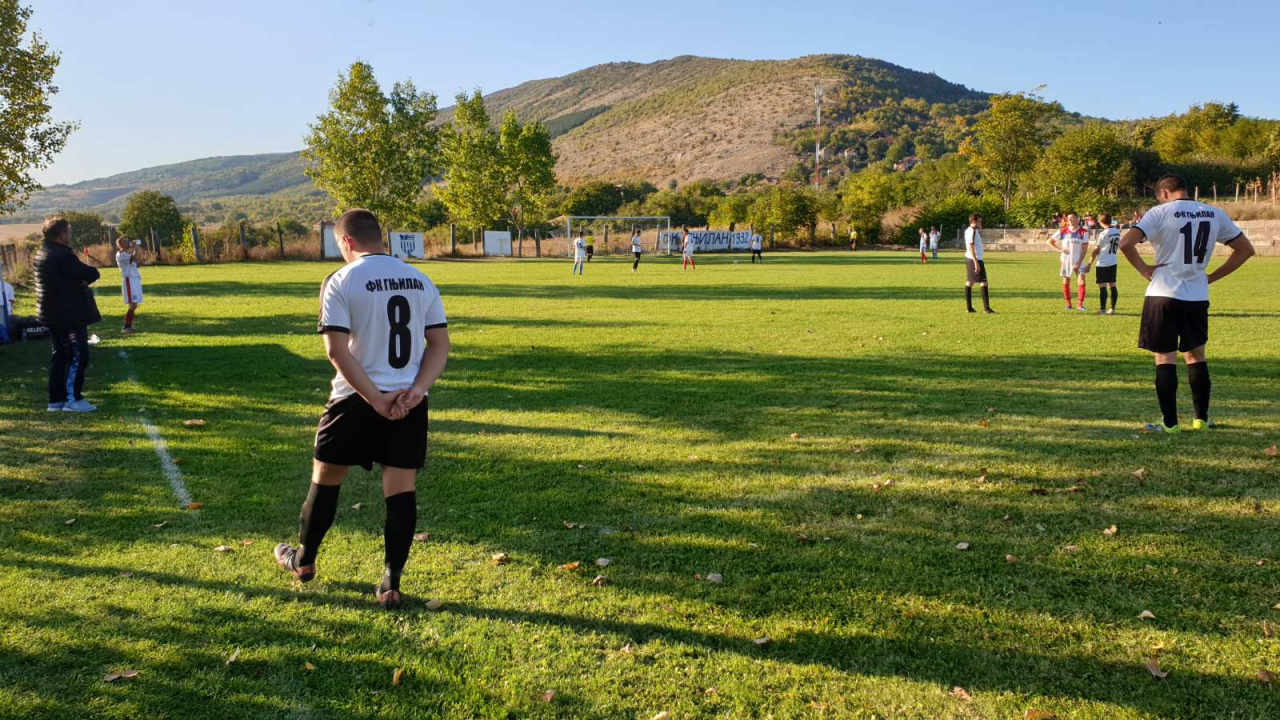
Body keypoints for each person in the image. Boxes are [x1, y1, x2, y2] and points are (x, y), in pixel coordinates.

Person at [274, 209, 451, 610]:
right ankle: (390, 583)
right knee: (401, 490)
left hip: (354, 398)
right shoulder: (420, 278)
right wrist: (417, 391)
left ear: (346, 241)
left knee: (325, 480)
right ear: (379, 237)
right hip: (407, 401)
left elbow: (336, 351)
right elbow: (440, 345)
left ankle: (304, 561)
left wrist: (374, 398)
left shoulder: (341, 279)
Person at [1119, 174, 1254, 433]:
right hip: (1197, 295)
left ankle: (1170, 424)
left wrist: (1144, 269)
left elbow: (1126, 243)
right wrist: (1212, 276)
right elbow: (1246, 249)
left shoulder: (1159, 212)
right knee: (1196, 356)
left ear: (1163, 193)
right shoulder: (1213, 213)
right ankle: (1201, 419)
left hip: (1163, 293)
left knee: (1164, 358)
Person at [33, 216, 102, 412]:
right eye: (68, 231)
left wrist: (76, 280)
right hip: (67, 314)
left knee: (60, 355)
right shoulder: (61, 255)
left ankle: (56, 400)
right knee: (77, 356)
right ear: (62, 234)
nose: (70, 235)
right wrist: (80, 280)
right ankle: (73, 399)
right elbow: (91, 273)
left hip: (53, 313)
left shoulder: (43, 251)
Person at [1047, 213, 1091, 311]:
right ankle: (1068, 304)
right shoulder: (1062, 231)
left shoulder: (1084, 232)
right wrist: (1060, 250)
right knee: (1066, 280)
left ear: (1078, 219)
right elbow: (1049, 241)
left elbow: (1084, 250)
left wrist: (1079, 262)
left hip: (1079, 260)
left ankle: (1080, 305)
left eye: (1072, 218)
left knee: (1082, 280)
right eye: (1068, 218)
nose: (1070, 220)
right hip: (1065, 260)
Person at [1089, 214, 1122, 315]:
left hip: (1103, 262)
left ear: (1101, 222)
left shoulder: (1103, 234)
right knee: (1112, 285)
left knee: (1102, 286)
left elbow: (1097, 249)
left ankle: (1102, 309)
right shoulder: (1116, 231)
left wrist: (1090, 262)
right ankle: (1112, 309)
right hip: (1113, 261)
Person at [964, 213, 994, 314]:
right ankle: (986, 308)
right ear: (974, 221)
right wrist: (976, 262)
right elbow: (971, 247)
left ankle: (969, 308)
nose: (981, 223)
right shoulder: (971, 231)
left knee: (970, 282)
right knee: (984, 282)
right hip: (975, 259)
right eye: (979, 221)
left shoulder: (971, 230)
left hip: (971, 259)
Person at [115, 238, 144, 333]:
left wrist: (136, 249)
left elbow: (137, 263)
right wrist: (136, 247)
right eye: (125, 241)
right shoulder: (121, 254)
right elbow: (133, 258)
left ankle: (128, 326)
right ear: (120, 244)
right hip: (129, 279)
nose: (128, 242)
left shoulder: (127, 254)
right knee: (133, 304)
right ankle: (126, 327)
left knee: (134, 305)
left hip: (134, 279)